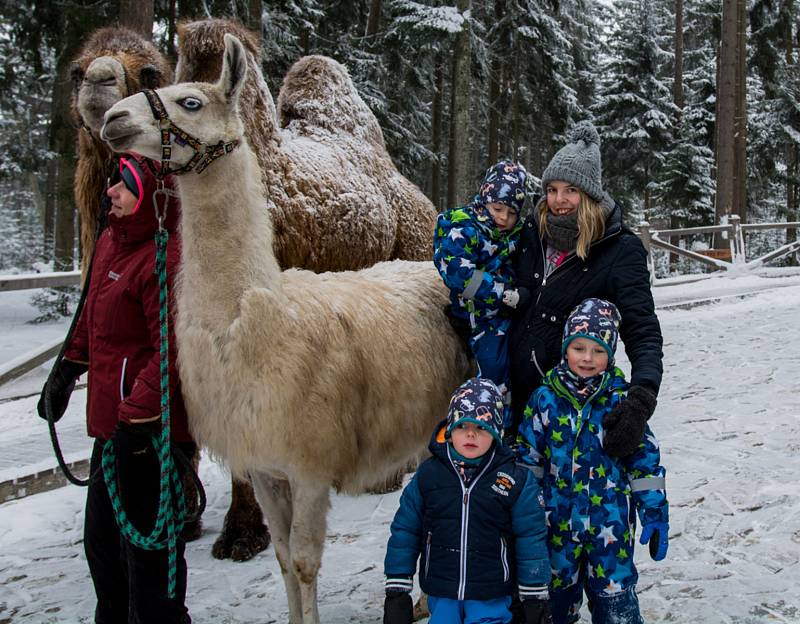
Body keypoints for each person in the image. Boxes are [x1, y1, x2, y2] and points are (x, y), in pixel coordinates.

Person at [37, 155, 193, 624]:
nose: (110, 192)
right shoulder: (112, 240)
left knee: (151, 559)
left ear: (147, 198)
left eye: (122, 186)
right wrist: (67, 369)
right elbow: (92, 318)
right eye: (112, 183)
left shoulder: (166, 259)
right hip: (114, 435)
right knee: (103, 550)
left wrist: (136, 418)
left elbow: (172, 353)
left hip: (148, 439)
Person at [505, 121, 663, 456]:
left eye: (570, 190)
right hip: (512, 399)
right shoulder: (532, 231)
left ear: (590, 193)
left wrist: (641, 398)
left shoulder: (620, 250)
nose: (558, 200)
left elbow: (642, 329)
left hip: (569, 410)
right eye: (552, 189)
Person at [516, 298, 669, 624]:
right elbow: (528, 460)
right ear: (565, 348)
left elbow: (644, 463)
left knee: (616, 608)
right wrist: (529, 511)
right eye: (579, 347)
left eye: (598, 350)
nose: (587, 358)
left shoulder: (622, 403)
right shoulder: (545, 399)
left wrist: (654, 510)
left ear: (611, 353)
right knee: (553, 607)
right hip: (556, 530)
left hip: (609, 529)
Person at [383, 377, 553, 624]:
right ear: (450, 433)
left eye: (482, 428)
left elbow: (530, 538)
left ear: (496, 434)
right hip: (442, 590)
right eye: (463, 426)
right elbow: (405, 531)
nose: (471, 434)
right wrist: (397, 589)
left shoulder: (515, 481)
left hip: (491, 591)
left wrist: (534, 593)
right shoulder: (429, 477)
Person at [433, 160, 529, 425]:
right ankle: (496, 422)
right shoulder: (463, 227)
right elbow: (457, 273)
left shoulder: (515, 233)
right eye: (498, 208)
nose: (503, 218)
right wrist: (500, 293)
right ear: (484, 198)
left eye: (511, 213)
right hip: (479, 315)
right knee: (494, 366)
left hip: (509, 311)